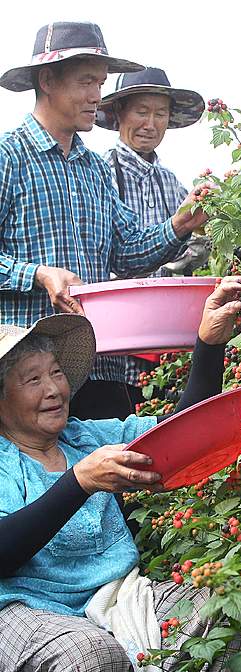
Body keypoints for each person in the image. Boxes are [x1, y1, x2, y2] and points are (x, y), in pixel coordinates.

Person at [0, 275, 241, 672]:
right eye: (33, 381)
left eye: (57, 373)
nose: (54, 390)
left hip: (114, 596)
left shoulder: (87, 439)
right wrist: (78, 483)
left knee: (227, 612)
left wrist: (209, 342)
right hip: (19, 608)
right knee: (91, 660)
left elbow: (180, 437)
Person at [0, 22, 208, 421]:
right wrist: (38, 274)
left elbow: (128, 252)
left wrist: (180, 224)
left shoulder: (94, 168)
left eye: (100, 83)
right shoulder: (10, 157)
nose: (97, 96)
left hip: (95, 364)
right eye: (86, 82)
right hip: (23, 370)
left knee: (108, 478)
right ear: (47, 80)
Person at [96, 66, 212, 408]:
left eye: (160, 113)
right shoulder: (101, 173)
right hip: (115, 348)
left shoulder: (172, 183)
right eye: (141, 112)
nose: (150, 123)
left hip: (167, 346)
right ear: (119, 113)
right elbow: (118, 255)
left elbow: (194, 249)